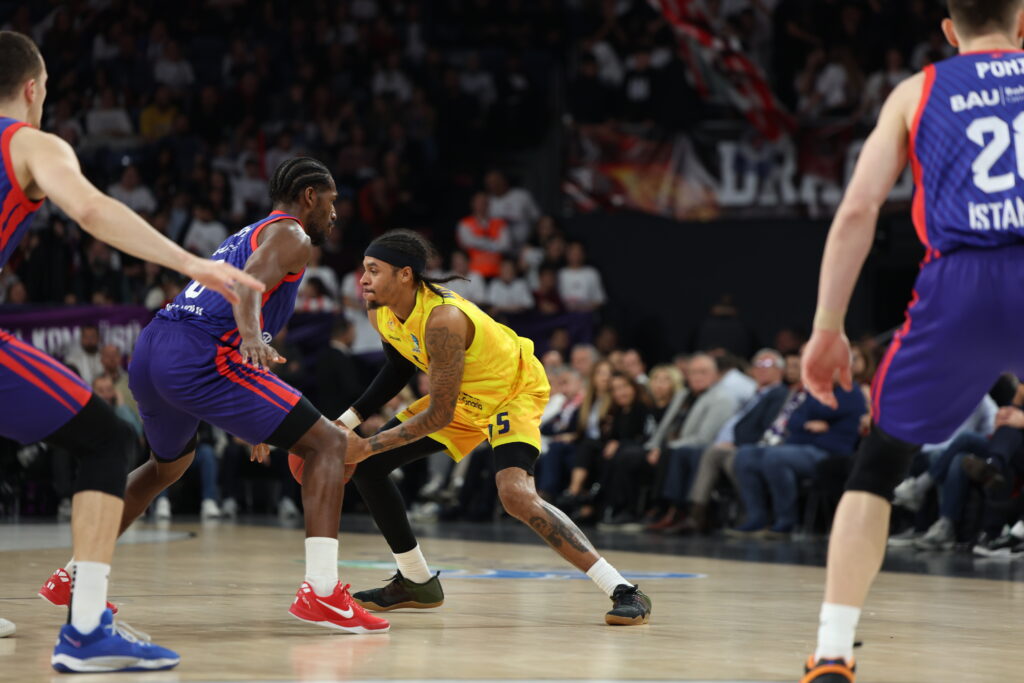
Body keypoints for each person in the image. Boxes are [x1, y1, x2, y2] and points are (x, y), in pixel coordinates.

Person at [0, 30, 263, 673]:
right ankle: (86, 631)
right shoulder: (28, 142)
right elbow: (91, 209)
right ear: (32, 88)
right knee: (107, 439)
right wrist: (191, 262)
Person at [39, 159, 390, 639]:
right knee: (328, 442)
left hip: (154, 347)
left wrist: (257, 412)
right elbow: (246, 288)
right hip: (199, 354)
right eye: (331, 202)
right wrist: (251, 339)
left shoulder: (250, 232)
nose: (334, 214)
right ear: (309, 196)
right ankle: (323, 592)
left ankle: (73, 573)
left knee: (166, 469)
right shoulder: (292, 235)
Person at [799, 3, 1024, 680]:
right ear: (1022, 23)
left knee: (878, 465)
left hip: (959, 282)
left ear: (950, 31)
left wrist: (828, 327)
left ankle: (833, 649)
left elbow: (858, 210)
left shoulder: (917, 90)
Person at [323, 229, 651, 625]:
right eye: (364, 269)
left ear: (405, 274)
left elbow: (438, 415)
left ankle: (623, 589)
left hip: (511, 391)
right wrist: (346, 422)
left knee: (515, 495)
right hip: (462, 397)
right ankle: (416, 581)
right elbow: (399, 368)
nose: (363, 279)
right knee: (369, 468)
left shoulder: (443, 319)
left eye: (374, 270)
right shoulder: (379, 310)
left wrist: (365, 444)